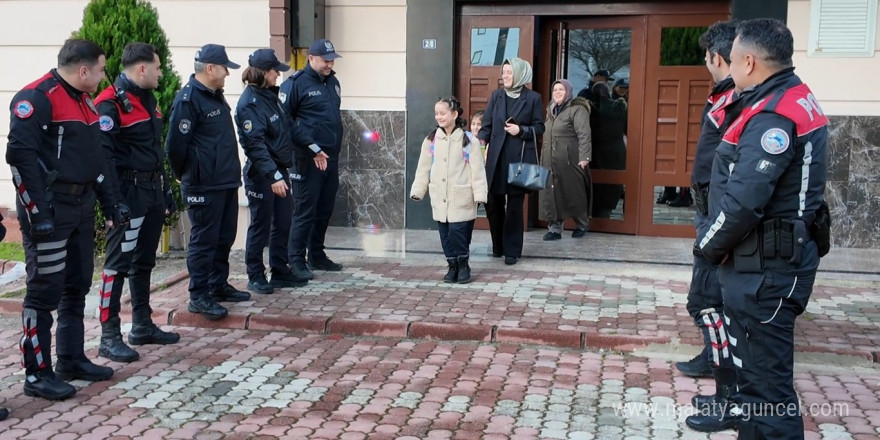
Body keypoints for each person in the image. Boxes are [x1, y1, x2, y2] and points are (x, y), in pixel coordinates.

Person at [693, 18, 829, 440]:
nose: (727, 69)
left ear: (749, 61)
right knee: (756, 386)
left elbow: (744, 201)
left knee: (768, 395)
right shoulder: (784, 95)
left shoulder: (773, 114)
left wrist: (707, 248)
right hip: (765, 264)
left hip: (766, 271)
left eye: (731, 61)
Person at [7, 38, 129, 401]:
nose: (105, 75)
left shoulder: (85, 100)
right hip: (50, 211)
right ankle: (37, 373)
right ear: (83, 70)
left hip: (80, 206)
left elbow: (97, 160)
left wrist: (112, 203)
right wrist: (38, 215)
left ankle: (71, 359)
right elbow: (20, 159)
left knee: (76, 285)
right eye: (103, 68)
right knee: (43, 292)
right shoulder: (37, 98)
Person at [670, 20, 740, 433]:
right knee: (708, 297)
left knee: (708, 299)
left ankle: (727, 388)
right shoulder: (724, 95)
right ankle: (713, 361)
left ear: (718, 56)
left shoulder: (740, 98)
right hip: (711, 208)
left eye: (707, 55)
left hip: (723, 214)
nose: (705, 62)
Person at [94, 42, 181, 363]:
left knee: (144, 262)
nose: (161, 73)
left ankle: (142, 325)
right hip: (127, 195)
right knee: (116, 266)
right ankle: (109, 335)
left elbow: (156, 151)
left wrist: (166, 192)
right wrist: (113, 203)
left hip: (152, 193)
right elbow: (103, 158)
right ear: (142, 68)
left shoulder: (148, 101)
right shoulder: (110, 104)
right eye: (157, 67)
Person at [167, 44, 248, 321]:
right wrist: (185, 175)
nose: (228, 73)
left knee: (224, 237)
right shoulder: (188, 100)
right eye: (225, 68)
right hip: (203, 184)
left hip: (224, 181)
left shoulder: (214, 96)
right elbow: (175, 146)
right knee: (203, 241)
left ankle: (217, 285)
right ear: (210, 68)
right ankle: (199, 296)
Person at [235, 48, 309, 294]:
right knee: (261, 225)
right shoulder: (249, 103)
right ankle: (255, 275)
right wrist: (273, 175)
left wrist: (314, 147)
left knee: (283, 221)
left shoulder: (270, 96)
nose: (278, 74)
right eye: (275, 70)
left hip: (278, 170)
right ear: (263, 72)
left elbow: (289, 126)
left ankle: (279, 270)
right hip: (262, 174)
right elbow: (255, 146)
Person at [410, 97, 488, 284]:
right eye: (437, 113)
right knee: (445, 234)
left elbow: (477, 170)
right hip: (440, 197)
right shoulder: (431, 140)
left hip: (461, 197)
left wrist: (479, 194)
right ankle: (452, 265)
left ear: (454, 114)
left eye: (443, 113)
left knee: (458, 233)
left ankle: (463, 264)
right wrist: (419, 190)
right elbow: (423, 168)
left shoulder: (468, 140)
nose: (439, 117)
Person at [280, 38, 339, 281]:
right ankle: (295, 259)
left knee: (324, 209)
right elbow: (286, 121)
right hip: (307, 159)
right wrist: (311, 147)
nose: (330, 64)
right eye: (325, 60)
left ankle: (317, 254)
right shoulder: (295, 84)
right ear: (311, 58)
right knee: (305, 209)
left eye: (332, 59)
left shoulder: (333, 81)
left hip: (330, 157)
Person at [477, 57, 544, 265]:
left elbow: (540, 128)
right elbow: (486, 125)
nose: (504, 76)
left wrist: (521, 130)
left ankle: (512, 251)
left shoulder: (533, 98)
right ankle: (498, 245)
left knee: (515, 207)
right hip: (496, 159)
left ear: (520, 74)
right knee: (494, 205)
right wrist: (479, 142)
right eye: (503, 72)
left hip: (519, 160)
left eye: (509, 72)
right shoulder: (496, 96)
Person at [539, 79, 592, 240]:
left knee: (574, 192)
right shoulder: (551, 109)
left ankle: (581, 224)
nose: (558, 92)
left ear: (568, 91)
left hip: (570, 160)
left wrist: (585, 156)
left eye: (561, 89)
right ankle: (555, 228)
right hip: (549, 160)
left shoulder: (577, 109)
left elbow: (584, 133)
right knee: (552, 193)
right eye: (555, 90)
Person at [588, 81, 627, 218]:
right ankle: (606, 213)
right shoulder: (619, 109)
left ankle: (597, 214)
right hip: (616, 152)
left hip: (596, 152)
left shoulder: (590, 111)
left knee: (596, 186)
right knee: (612, 184)